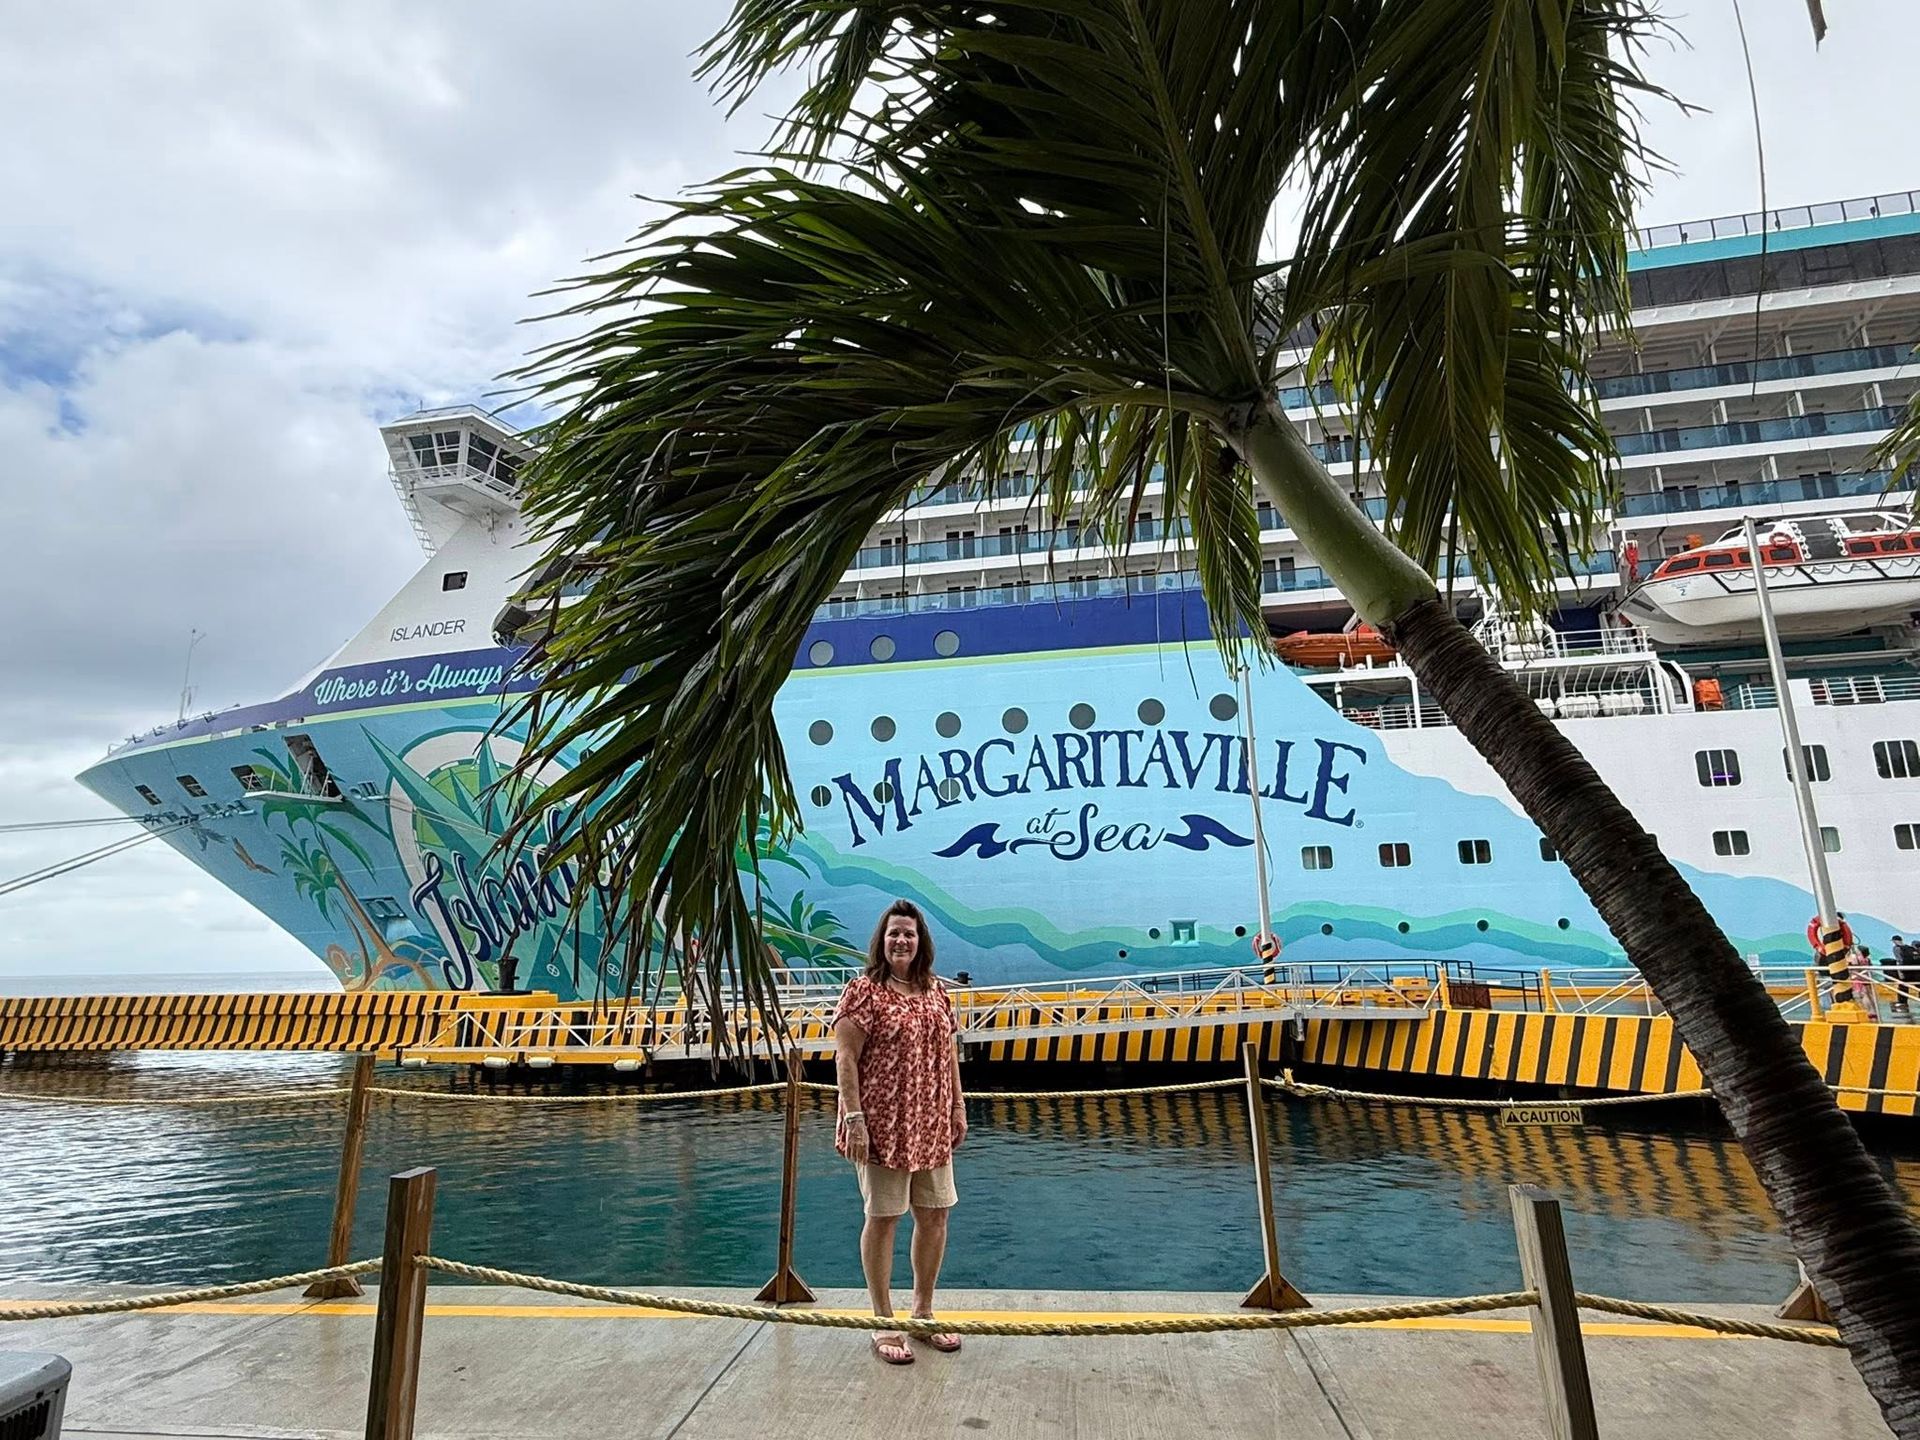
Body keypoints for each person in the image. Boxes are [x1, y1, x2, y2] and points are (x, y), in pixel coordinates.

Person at [833, 899, 967, 1365]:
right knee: (884, 1217)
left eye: (908, 933)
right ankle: (883, 1320)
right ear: (881, 940)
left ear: (921, 940)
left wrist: (957, 1105)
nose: (901, 941)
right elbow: (845, 1058)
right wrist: (854, 1119)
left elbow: (947, 1053)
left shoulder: (935, 992)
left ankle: (923, 1313)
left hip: (931, 1120)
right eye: (893, 933)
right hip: (881, 1125)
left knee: (936, 1215)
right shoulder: (863, 992)